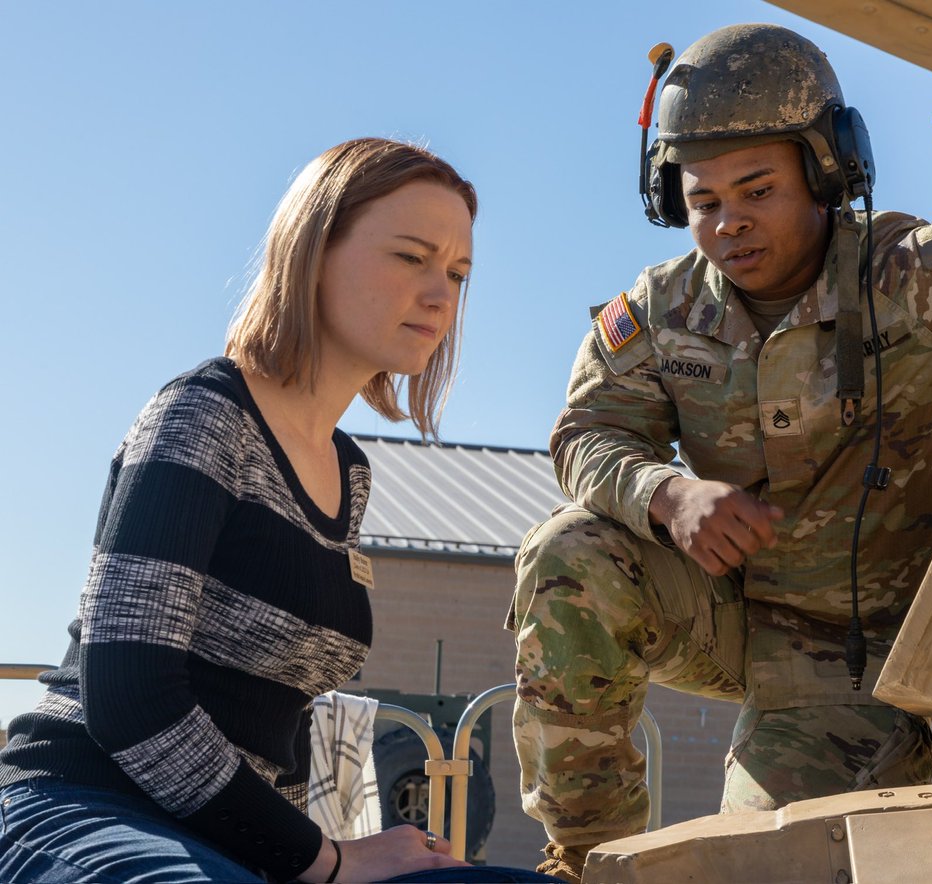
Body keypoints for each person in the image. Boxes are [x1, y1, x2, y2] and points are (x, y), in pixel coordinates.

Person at [507, 23, 932, 883]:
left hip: (862, 653)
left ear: (826, 174)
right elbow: (585, 433)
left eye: (758, 190)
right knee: (568, 552)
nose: (729, 223)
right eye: (703, 201)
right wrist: (668, 495)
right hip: (728, 614)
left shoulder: (918, 275)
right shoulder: (661, 310)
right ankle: (584, 860)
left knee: (766, 868)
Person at [0, 138, 551, 883]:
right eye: (410, 257)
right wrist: (324, 861)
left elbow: (272, 730)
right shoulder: (201, 415)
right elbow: (129, 697)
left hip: (241, 842)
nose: (441, 295)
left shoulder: (348, 471)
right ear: (313, 253)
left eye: (457, 273)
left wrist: (306, 858)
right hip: (83, 806)